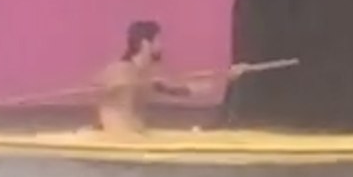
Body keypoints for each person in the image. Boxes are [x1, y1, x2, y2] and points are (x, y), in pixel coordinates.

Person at [95, 21, 245, 134]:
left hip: (138, 138)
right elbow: (96, 89)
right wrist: (115, 86)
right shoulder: (119, 70)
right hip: (118, 141)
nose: (162, 46)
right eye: (158, 41)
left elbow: (188, 90)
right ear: (146, 44)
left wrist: (228, 77)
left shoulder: (148, 77)